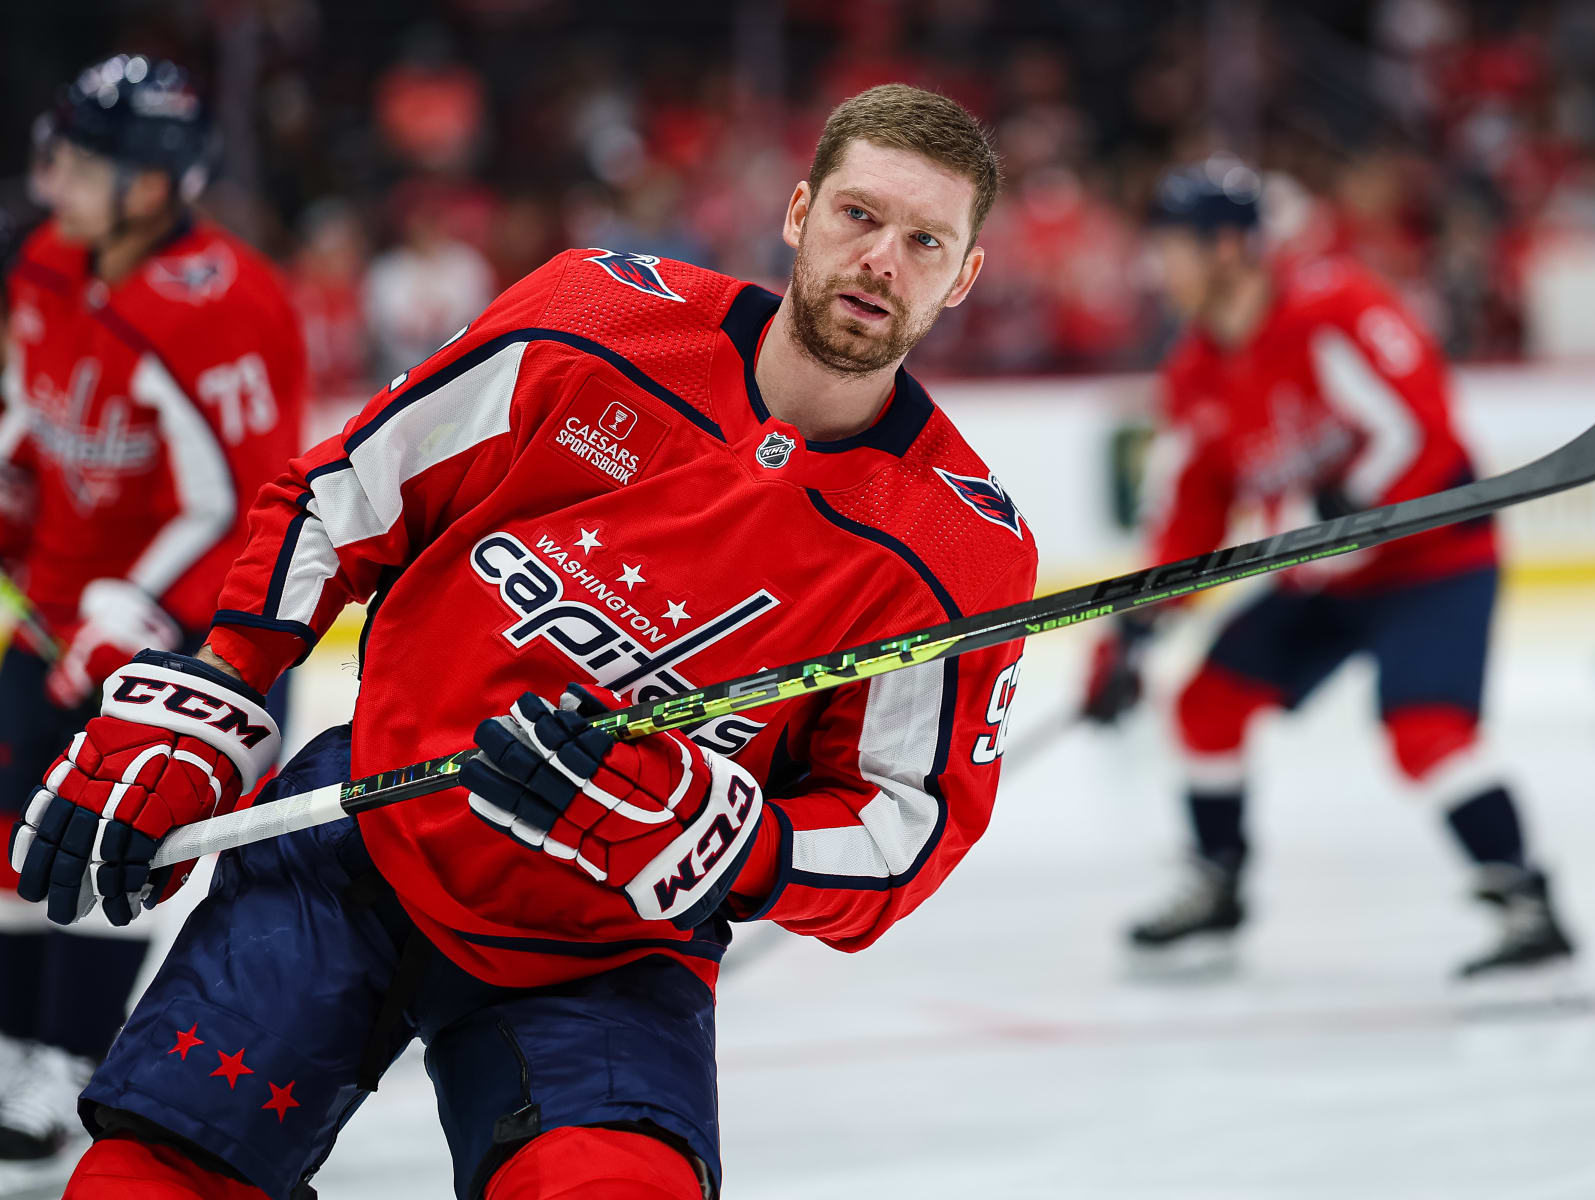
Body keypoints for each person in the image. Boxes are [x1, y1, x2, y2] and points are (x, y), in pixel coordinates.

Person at [9, 83, 1037, 1200]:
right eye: (859, 216)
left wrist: (725, 837)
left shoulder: (956, 549)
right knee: (142, 1183)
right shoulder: (593, 318)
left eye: (925, 241)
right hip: (366, 828)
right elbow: (347, 496)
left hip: (609, 944)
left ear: (964, 275)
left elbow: (900, 829)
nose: (881, 260)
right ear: (800, 213)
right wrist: (220, 686)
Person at [1084, 158, 1573, 980]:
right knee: (1208, 703)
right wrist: (1133, 630)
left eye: (1173, 248)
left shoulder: (1334, 308)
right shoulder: (1196, 372)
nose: (1159, 268)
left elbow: (1421, 432)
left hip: (1432, 560)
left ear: (1228, 246)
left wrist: (1342, 509)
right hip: (1327, 574)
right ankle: (1217, 884)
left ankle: (1525, 900)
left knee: (1426, 734)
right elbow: (1190, 518)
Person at [0, 55, 306, 1167]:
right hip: (54, 608)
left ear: (152, 184)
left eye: (86, 165)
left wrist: (143, 607)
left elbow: (254, 501)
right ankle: (13, 1042)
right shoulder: (45, 261)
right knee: (14, 831)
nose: (57, 182)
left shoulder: (227, 304)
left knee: (108, 834)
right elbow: (37, 414)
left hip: (173, 633)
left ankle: (67, 1054)